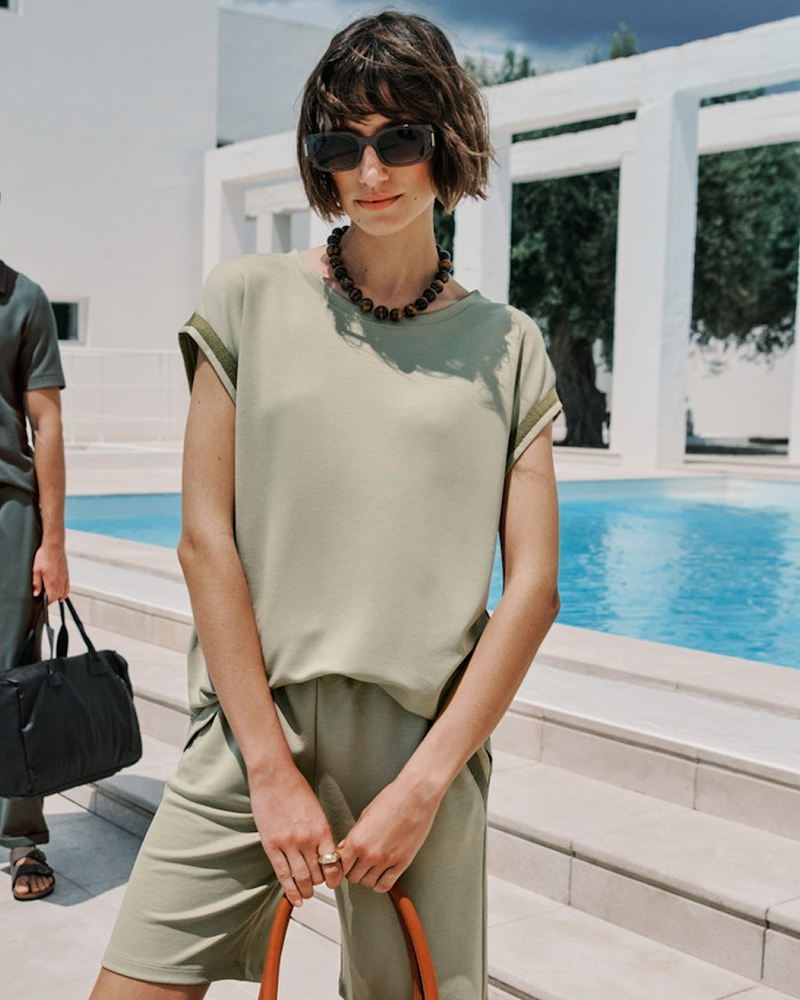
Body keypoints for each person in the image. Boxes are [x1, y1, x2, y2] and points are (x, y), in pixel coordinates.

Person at [89, 11, 561, 998]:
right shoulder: (247, 299)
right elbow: (203, 542)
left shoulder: (508, 345)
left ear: (444, 140)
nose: (370, 169)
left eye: (399, 138)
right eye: (339, 144)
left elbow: (533, 591)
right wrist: (266, 769)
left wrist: (424, 786)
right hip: (252, 733)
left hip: (423, 748)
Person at [1, 195, 70, 902]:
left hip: (6, 512)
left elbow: (46, 424)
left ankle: (22, 839)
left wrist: (53, 541)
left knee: (15, 675)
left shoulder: (24, 300)